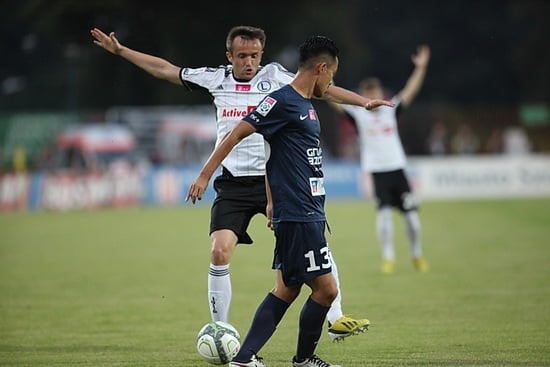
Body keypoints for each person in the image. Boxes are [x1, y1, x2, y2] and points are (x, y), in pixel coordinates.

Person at [91, 25, 390, 340]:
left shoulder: (275, 77)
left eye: (255, 55)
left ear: (262, 55)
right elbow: (166, 70)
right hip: (232, 184)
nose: (249, 62)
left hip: (274, 180)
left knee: (312, 239)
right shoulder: (216, 78)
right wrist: (121, 51)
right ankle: (221, 330)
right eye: (243, 56)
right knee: (219, 251)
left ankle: (336, 317)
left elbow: (322, 88)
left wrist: (363, 102)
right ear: (229, 56)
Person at [187, 34, 394, 367]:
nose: (330, 83)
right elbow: (236, 133)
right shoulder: (282, 101)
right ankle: (302, 358)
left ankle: (247, 358)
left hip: (303, 209)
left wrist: (269, 200)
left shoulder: (304, 104)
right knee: (324, 290)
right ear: (321, 68)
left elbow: (271, 157)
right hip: (298, 213)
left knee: (286, 289)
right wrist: (205, 174)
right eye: (331, 75)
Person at [330, 45, 431, 274]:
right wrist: (329, 78)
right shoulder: (358, 114)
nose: (373, 97)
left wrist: (421, 68)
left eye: (376, 92)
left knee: (412, 219)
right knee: (384, 216)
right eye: (368, 93)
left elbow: (410, 91)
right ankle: (388, 257)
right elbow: (332, 99)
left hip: (397, 169)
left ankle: (416, 254)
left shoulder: (391, 110)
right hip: (377, 171)